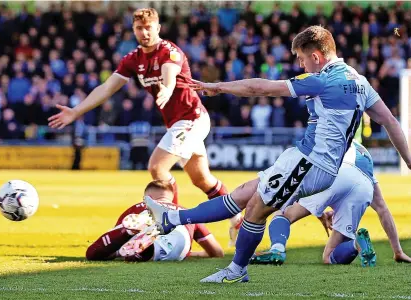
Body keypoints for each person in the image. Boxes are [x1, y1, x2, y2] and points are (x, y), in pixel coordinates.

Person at [146, 25, 411, 283]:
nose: (301, 65)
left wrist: (219, 87)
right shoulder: (360, 82)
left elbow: (261, 88)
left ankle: (236, 270)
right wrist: (409, 162)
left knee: (255, 210)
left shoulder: (323, 79)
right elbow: (390, 122)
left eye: (302, 59)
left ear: (316, 56)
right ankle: (172, 219)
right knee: (242, 194)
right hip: (308, 160)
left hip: (310, 163)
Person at [47, 8, 242, 244]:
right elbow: (107, 88)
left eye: (149, 27)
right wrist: (77, 111)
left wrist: (168, 89)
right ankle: (238, 220)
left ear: (158, 28)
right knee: (203, 180)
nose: (144, 32)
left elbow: (169, 74)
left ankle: (175, 228)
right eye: (139, 28)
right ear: (133, 30)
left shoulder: (169, 51)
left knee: (157, 168)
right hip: (179, 124)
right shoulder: (133, 59)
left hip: (192, 118)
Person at [250, 140, 411, 266]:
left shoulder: (330, 138)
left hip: (335, 173)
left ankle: (277, 249)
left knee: (283, 213)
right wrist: (398, 250)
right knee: (329, 256)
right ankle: (356, 244)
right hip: (364, 186)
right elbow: (382, 209)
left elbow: (308, 180)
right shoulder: (362, 151)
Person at [86, 180, 224, 262]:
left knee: (95, 253)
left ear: (147, 198)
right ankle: (150, 248)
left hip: (146, 218)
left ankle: (134, 236)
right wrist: (189, 253)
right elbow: (217, 252)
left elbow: (113, 243)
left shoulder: (139, 207)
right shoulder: (185, 211)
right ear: (170, 198)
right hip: (180, 239)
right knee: (171, 248)